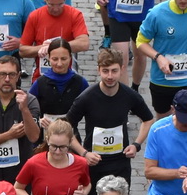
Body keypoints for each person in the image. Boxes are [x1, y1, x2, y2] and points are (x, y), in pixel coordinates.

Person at [65, 48, 152, 187]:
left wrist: (136, 145)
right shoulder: (86, 97)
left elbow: (148, 120)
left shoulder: (129, 95)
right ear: (98, 70)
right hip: (94, 160)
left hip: (120, 160)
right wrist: (84, 153)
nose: (110, 76)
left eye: (114, 71)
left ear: (122, 69)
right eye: (105, 71)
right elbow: (66, 127)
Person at [0, 53, 42, 191]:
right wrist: (9, 135)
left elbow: (34, 136)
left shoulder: (30, 100)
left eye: (12, 74)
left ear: (18, 76)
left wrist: (24, 110)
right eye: (2, 74)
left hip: (21, 178)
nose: (7, 79)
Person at [19, 0, 89, 76]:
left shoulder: (75, 15)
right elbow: (23, 50)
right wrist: (43, 49)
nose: (55, 9)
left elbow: (84, 43)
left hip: (68, 76)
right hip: (41, 77)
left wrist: (54, 47)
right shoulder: (35, 16)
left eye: (60, 4)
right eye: (51, 5)